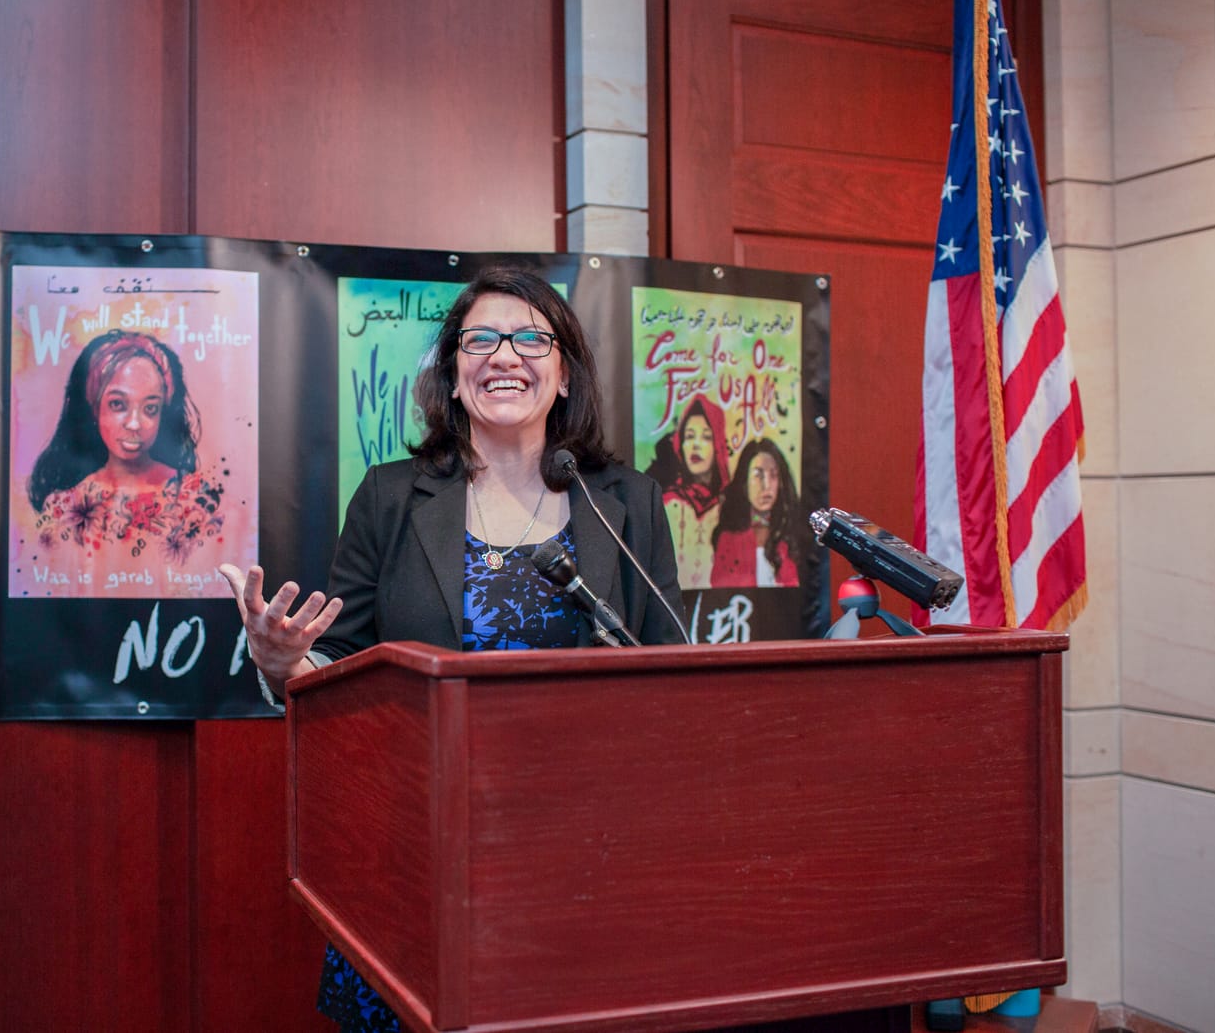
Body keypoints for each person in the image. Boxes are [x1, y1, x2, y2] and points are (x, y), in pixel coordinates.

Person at [218, 267, 684, 1032]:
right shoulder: (389, 496)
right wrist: (281, 661)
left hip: (584, 857)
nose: (506, 355)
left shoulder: (626, 501)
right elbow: (340, 675)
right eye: (482, 339)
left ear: (564, 373)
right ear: (454, 373)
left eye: (532, 337)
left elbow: (672, 669)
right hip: (419, 855)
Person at [27, 329, 224, 564]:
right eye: (118, 404)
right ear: (94, 407)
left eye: (150, 408)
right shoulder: (64, 507)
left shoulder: (194, 500)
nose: (134, 424)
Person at [643, 393, 730, 589]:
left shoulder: (732, 505)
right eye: (689, 436)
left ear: (719, 446)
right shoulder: (665, 502)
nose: (696, 445)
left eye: (706, 437)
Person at [709, 436, 803, 588]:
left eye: (773, 475)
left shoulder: (792, 535)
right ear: (744, 482)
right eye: (758, 475)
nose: (766, 485)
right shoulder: (728, 539)